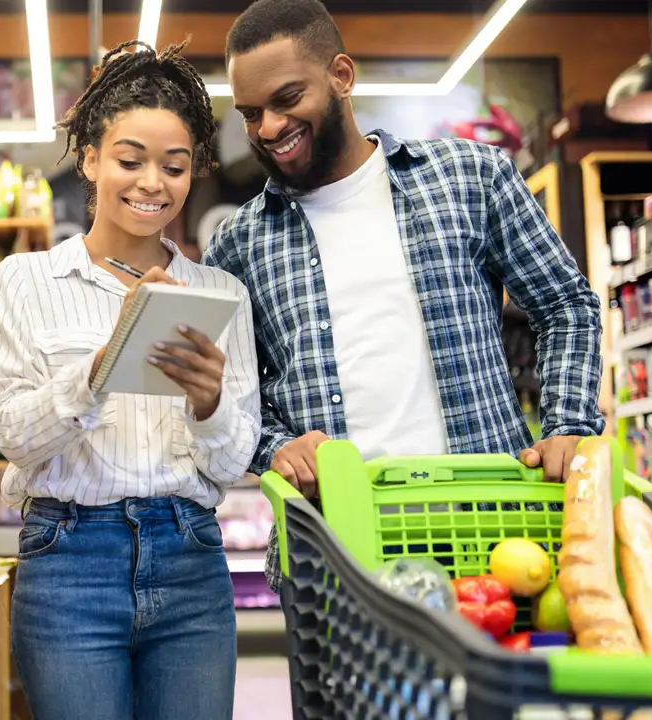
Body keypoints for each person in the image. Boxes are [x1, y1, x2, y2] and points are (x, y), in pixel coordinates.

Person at [205, 0, 605, 592]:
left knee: (496, 684)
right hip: (334, 545)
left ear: (341, 76)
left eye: (287, 100)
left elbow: (565, 304)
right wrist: (277, 448)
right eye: (250, 113)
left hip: (491, 526)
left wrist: (569, 423)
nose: (267, 128)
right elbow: (232, 399)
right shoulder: (238, 243)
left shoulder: (473, 177)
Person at [0, 40, 261, 720]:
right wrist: (101, 367)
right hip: (68, 559)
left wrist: (209, 403)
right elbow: (14, 435)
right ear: (91, 159)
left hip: (190, 554)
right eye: (130, 160)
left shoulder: (219, 292)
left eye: (174, 165)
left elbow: (231, 462)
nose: (151, 183)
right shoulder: (26, 280)